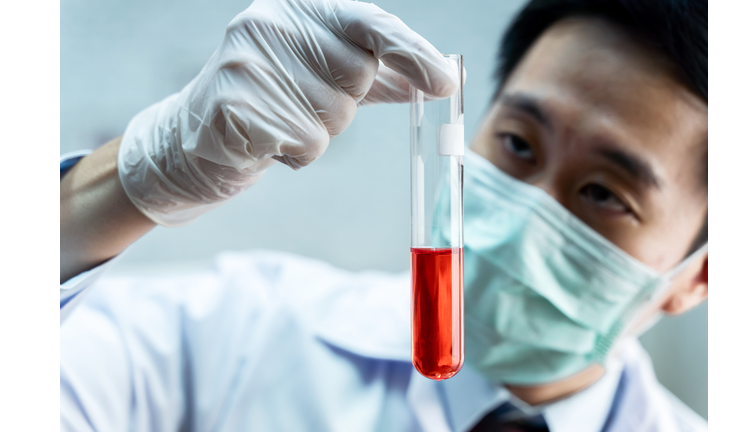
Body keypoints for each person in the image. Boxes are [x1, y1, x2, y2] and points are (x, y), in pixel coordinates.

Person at [60, 0, 708, 430]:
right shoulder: (233, 336)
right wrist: (129, 177)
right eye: (516, 143)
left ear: (697, 278)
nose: (520, 218)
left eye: (603, 192)